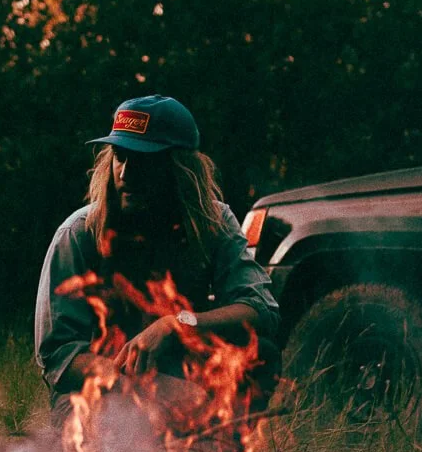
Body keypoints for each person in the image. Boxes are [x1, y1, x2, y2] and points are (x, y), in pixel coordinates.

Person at [34, 95, 280, 425]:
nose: (126, 172)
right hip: (99, 394)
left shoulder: (213, 221)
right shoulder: (79, 234)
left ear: (179, 167)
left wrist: (176, 324)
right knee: (125, 434)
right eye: (119, 156)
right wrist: (153, 392)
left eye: (143, 159)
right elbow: (59, 355)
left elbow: (259, 307)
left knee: (260, 354)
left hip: (180, 370)